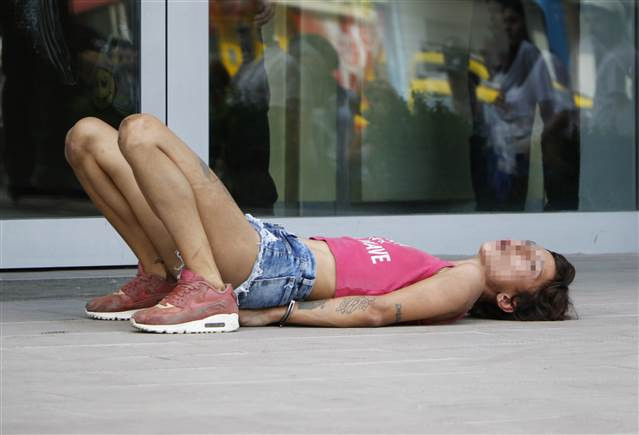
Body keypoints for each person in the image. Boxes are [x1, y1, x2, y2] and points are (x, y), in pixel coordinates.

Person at [64, 114, 576, 333]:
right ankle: (161, 275)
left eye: (529, 263)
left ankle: (207, 289)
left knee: (142, 132)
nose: (519, 245)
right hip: (266, 250)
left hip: (272, 265)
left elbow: (376, 311)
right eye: (529, 244)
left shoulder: (464, 281)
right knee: (87, 137)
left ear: (507, 301)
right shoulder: (440, 266)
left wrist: (276, 314)